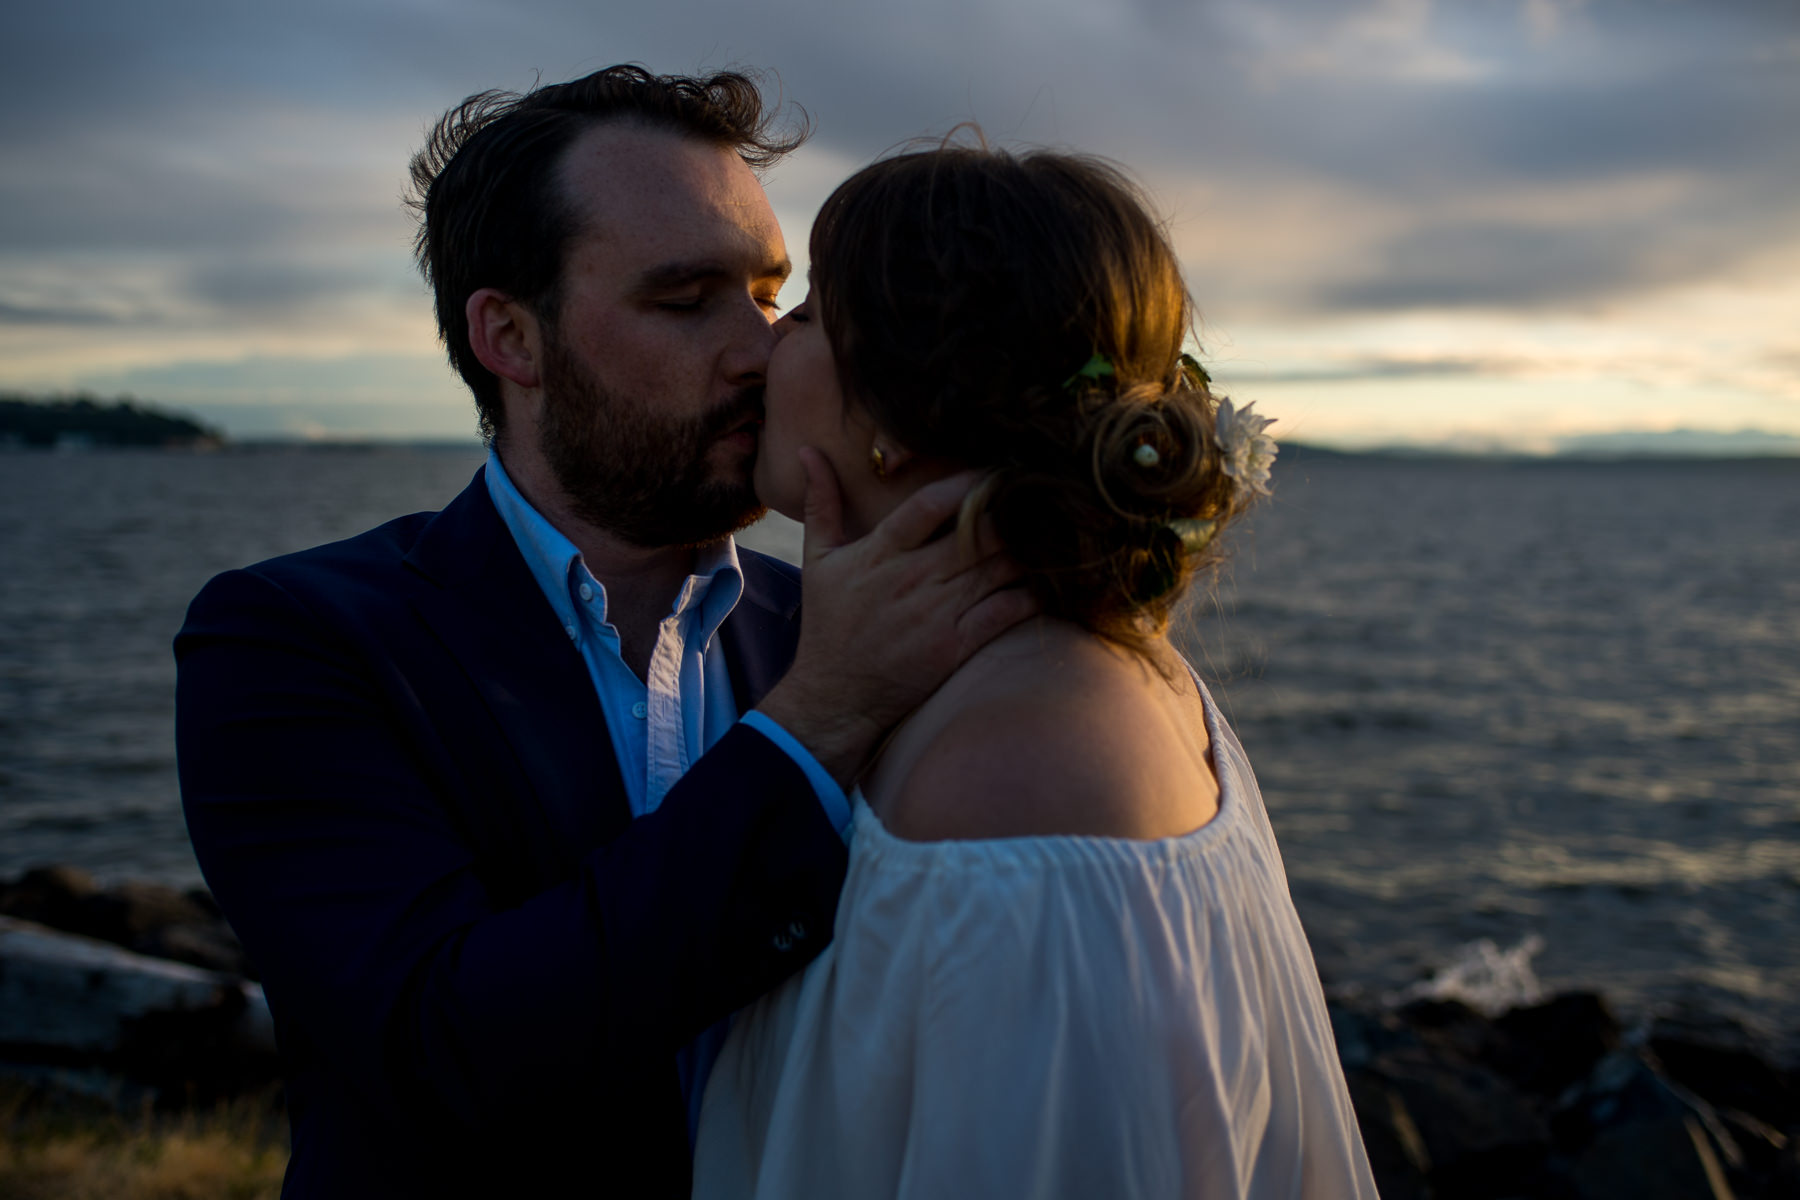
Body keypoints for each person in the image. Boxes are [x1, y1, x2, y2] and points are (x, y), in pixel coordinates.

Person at [174, 68, 1030, 1199]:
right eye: (686, 302)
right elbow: (443, 1045)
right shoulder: (295, 640)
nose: (760, 350)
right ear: (510, 337)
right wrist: (820, 719)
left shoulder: (841, 629)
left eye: (771, 295)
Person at [691, 143, 1380, 1198]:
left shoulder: (1022, 778)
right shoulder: (1049, 679)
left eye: (814, 316)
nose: (765, 345)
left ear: (900, 419)